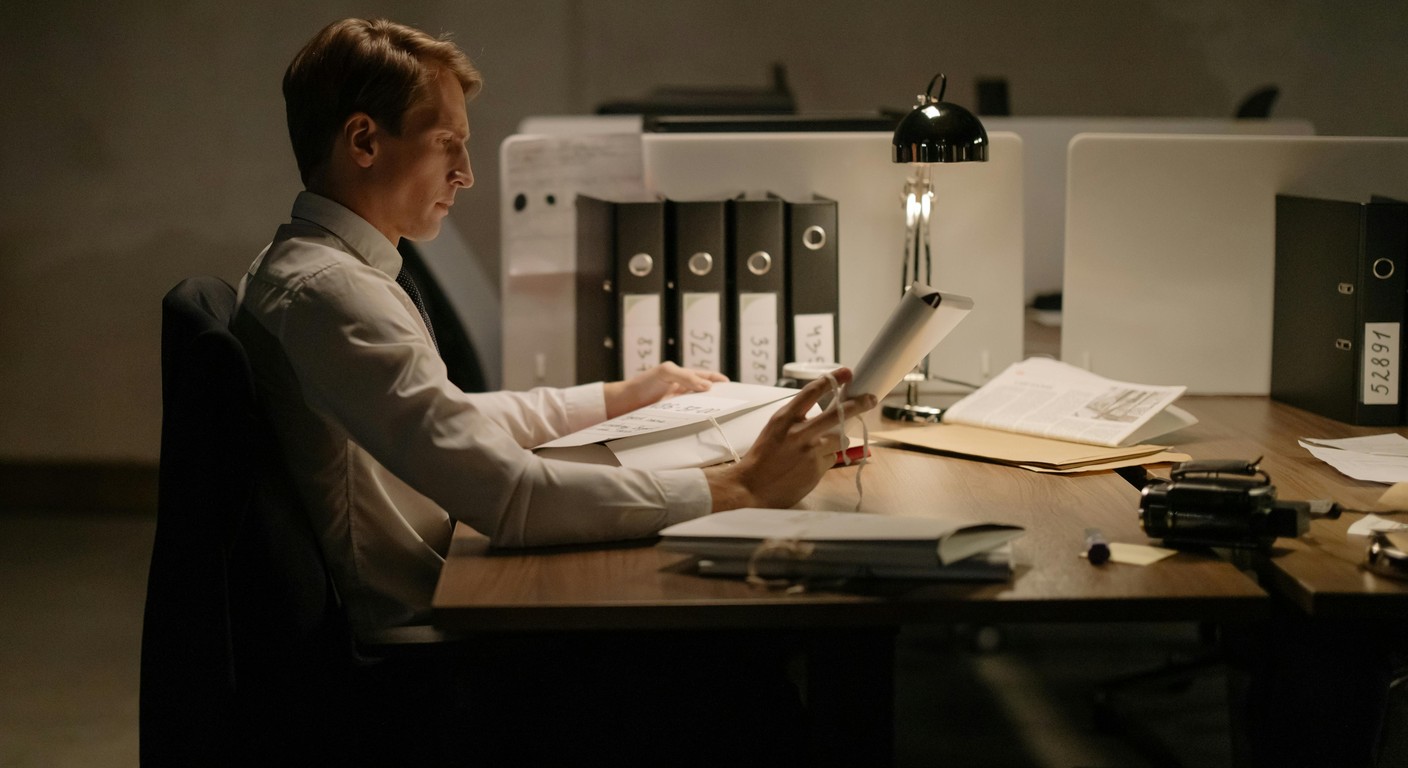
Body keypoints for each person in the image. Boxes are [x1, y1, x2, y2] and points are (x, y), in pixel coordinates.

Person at [234, 16, 874, 644]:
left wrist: (616, 398)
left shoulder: (316, 269)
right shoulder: (332, 294)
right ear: (365, 142)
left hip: (449, 598)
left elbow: (445, 416)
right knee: (744, 664)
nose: (466, 172)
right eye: (445, 142)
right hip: (431, 644)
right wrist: (738, 487)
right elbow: (513, 498)